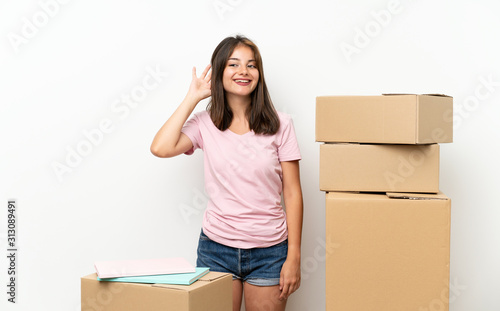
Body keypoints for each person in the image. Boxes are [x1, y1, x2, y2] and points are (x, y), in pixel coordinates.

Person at [150, 34, 303, 311]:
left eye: (251, 65)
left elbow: (292, 193)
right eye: (233, 64)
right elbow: (161, 148)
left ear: (259, 74)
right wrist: (193, 97)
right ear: (219, 72)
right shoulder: (204, 124)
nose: (243, 71)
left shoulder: (282, 124)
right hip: (216, 249)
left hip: (270, 252)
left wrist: (293, 257)